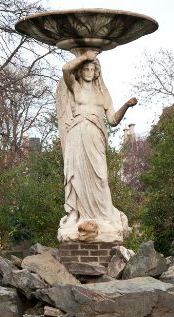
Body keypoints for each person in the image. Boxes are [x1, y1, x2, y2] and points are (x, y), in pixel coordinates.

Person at [56, 49, 137, 242]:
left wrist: (126, 105)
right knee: (78, 177)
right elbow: (66, 69)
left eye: (93, 69)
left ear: (97, 72)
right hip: (77, 135)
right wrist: (85, 56)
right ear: (81, 71)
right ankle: (78, 214)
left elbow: (113, 120)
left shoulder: (103, 94)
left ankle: (104, 216)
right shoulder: (75, 87)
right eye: (86, 69)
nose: (89, 71)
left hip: (96, 136)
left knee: (100, 177)